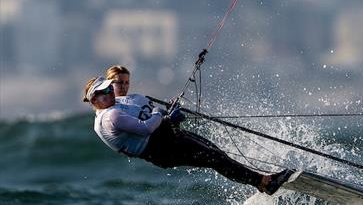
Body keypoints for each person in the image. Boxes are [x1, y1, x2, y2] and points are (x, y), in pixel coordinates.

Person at [82, 75, 293, 194]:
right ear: (94, 100)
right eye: (104, 92)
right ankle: (264, 182)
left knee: (216, 156)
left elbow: (147, 114)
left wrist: (166, 112)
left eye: (110, 89)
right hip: (162, 147)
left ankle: (261, 181)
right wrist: (162, 116)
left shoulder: (115, 105)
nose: (110, 93)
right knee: (216, 158)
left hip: (166, 141)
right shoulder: (110, 117)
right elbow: (146, 128)